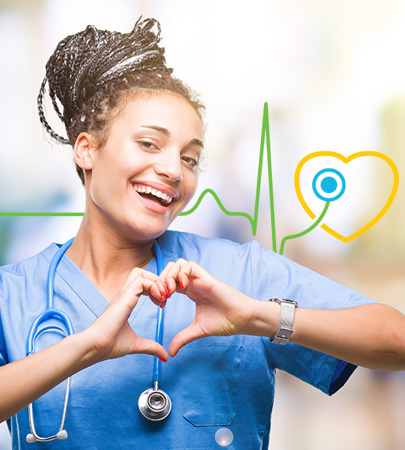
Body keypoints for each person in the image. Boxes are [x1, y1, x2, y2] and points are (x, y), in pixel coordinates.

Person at [0, 17, 404, 450]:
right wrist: (87, 346)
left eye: (190, 158)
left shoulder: (238, 273)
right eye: (149, 144)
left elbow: (395, 341)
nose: (174, 170)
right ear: (87, 149)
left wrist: (257, 317)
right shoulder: (14, 293)